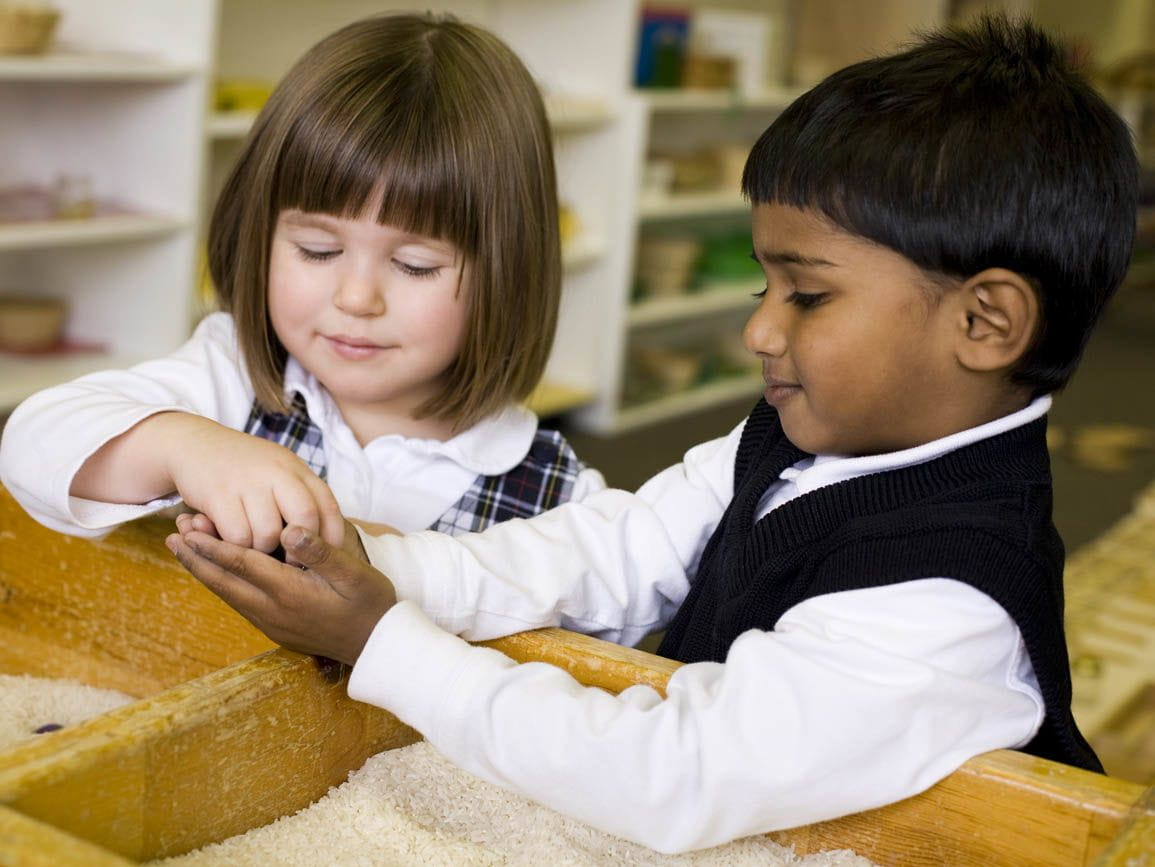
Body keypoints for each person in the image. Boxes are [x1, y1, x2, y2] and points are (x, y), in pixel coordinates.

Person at [166, 14, 1137, 854]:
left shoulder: (947, 606)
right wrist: (392, 574)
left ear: (986, 323)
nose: (761, 329)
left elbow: (669, 777)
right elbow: (619, 546)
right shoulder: (807, 436)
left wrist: (383, 639)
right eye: (766, 287)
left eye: (808, 294)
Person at [0, 14, 604, 550]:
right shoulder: (233, 376)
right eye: (318, 250)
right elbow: (31, 443)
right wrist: (182, 446)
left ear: (510, 272)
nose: (355, 298)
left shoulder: (564, 503)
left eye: (415, 265)